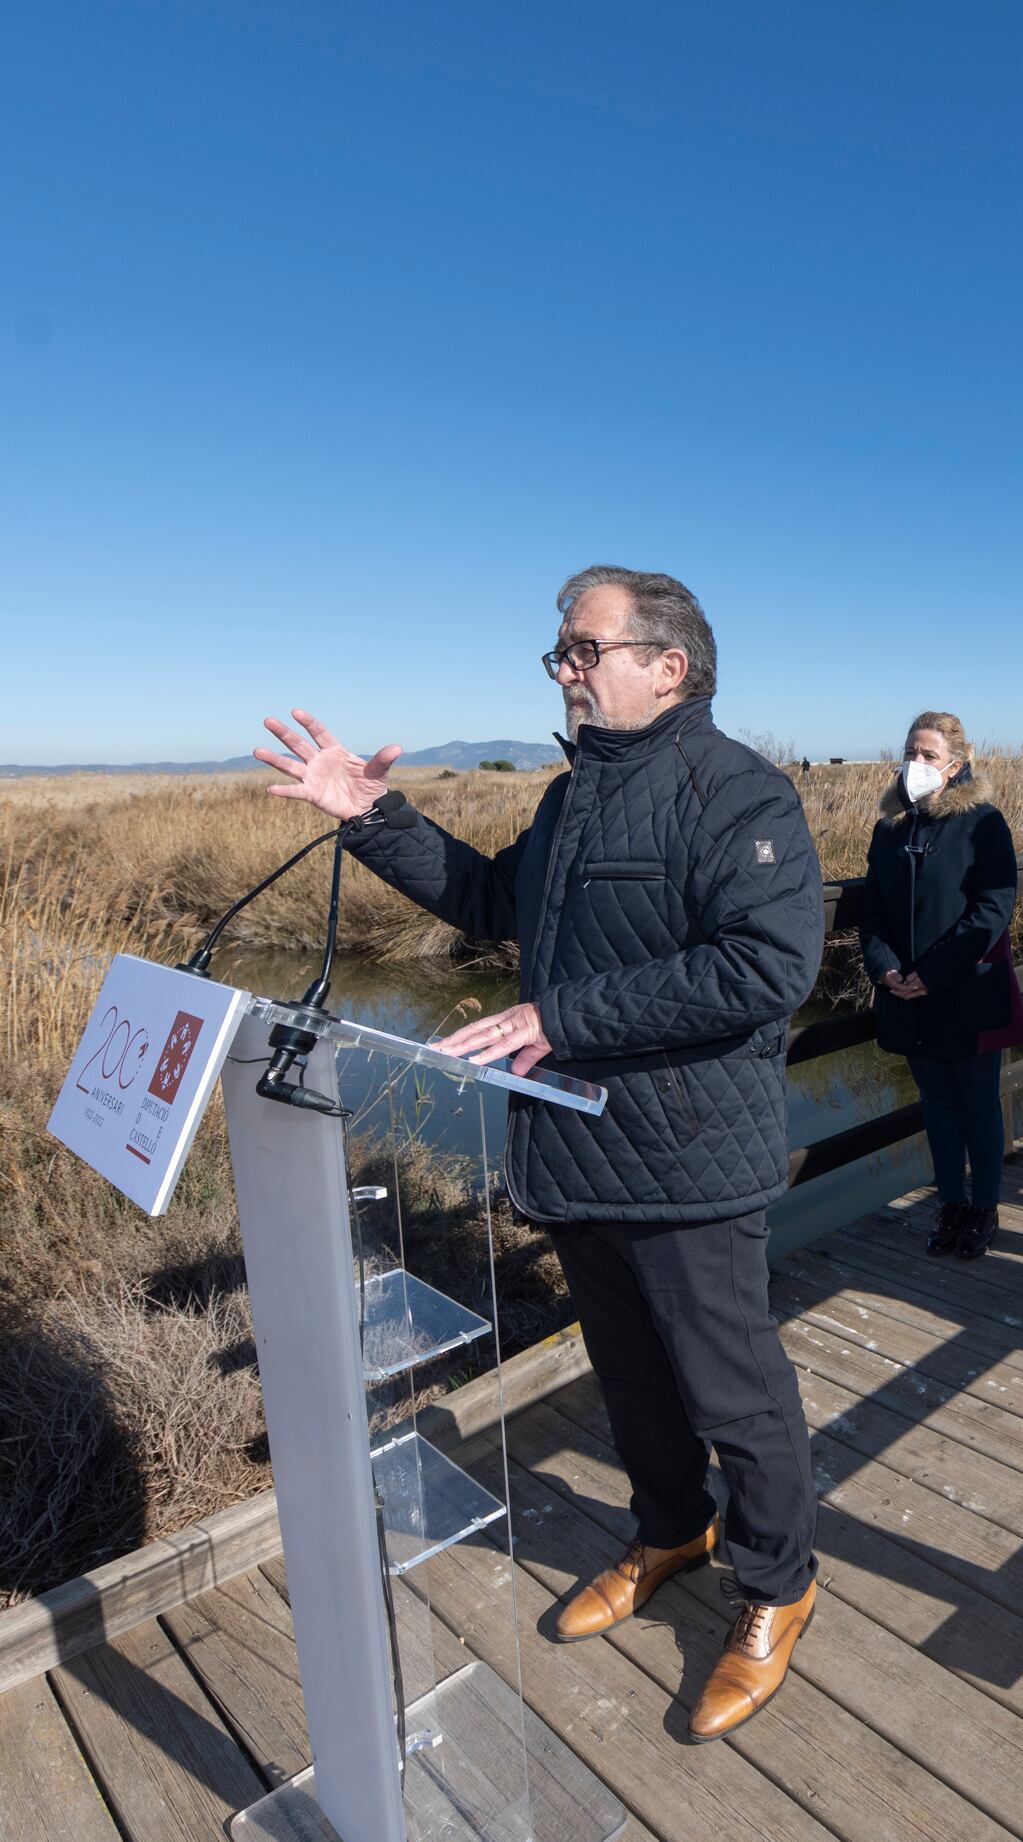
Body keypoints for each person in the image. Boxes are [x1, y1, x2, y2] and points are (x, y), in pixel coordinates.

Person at [252, 566, 822, 1743]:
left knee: (732, 1391)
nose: (562, 670)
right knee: (628, 1377)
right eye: (556, 653)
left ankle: (777, 1585)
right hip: (575, 1151)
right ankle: (669, 1531)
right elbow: (488, 901)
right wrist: (371, 817)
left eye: (581, 650)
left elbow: (765, 969)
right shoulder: (571, 800)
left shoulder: (740, 795)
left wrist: (566, 1018)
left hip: (690, 1162)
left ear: (667, 667)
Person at [861, 712, 1023, 1261]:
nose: (916, 763)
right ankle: (951, 1204)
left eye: (929, 755)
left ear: (956, 765)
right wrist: (884, 968)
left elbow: (992, 909)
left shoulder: (983, 822)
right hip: (905, 994)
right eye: (911, 751)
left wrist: (933, 974)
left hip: (963, 991)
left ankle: (984, 1208)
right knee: (935, 1105)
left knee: (978, 1103)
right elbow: (873, 910)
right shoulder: (890, 830)